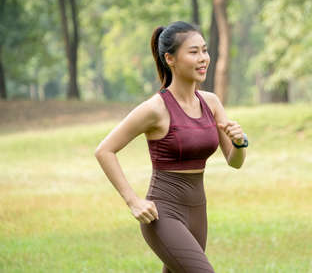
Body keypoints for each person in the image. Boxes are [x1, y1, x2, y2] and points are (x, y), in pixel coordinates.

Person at [94, 21, 248, 273]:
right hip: (163, 213)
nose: (203, 59)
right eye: (193, 52)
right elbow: (104, 150)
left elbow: (234, 161)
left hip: (198, 211)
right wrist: (133, 201)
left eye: (205, 50)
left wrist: (240, 143)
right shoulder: (155, 108)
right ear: (170, 58)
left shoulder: (211, 103)